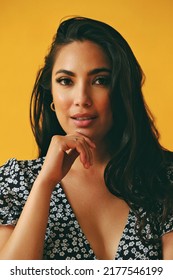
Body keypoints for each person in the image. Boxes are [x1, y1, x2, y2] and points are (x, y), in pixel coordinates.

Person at [0, 16, 173, 260]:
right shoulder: (15, 181)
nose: (81, 98)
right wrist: (44, 184)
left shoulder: (165, 179)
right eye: (66, 81)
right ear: (50, 91)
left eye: (100, 80)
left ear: (122, 90)